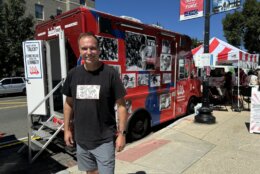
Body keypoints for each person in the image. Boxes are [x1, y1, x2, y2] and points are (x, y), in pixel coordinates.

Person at [62, 32, 128, 174]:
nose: (89, 52)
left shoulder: (110, 74)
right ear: (79, 50)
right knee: (90, 172)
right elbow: (68, 104)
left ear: (98, 50)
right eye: (84, 49)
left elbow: (122, 106)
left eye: (92, 48)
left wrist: (122, 134)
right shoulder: (73, 74)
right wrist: (66, 129)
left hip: (103, 140)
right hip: (82, 140)